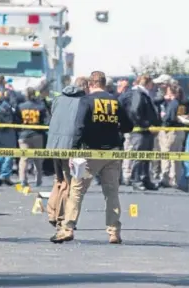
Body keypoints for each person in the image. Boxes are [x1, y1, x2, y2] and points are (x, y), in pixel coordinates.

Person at [50, 71, 133, 244]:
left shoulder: (86, 101)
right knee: (111, 193)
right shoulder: (115, 101)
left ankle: (68, 228)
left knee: (77, 191)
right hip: (112, 152)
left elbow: (79, 126)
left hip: (90, 153)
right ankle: (114, 231)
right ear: (104, 84)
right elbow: (128, 126)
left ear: (90, 84)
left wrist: (73, 151)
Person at [46, 78, 87, 228]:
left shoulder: (58, 99)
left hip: (54, 145)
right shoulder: (83, 101)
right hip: (69, 145)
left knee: (58, 181)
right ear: (85, 87)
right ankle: (62, 217)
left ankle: (52, 213)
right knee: (69, 183)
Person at [129, 75, 161, 191]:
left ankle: (145, 179)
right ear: (148, 83)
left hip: (147, 131)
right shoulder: (138, 94)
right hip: (140, 131)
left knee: (146, 156)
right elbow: (134, 111)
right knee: (139, 156)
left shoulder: (145, 94)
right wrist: (147, 125)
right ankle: (136, 180)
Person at [17, 87, 48, 187]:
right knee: (38, 158)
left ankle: (22, 179)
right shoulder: (40, 106)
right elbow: (45, 120)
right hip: (37, 134)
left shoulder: (20, 106)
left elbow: (16, 120)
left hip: (24, 135)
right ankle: (38, 179)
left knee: (24, 158)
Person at [158, 84, 186, 188]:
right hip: (179, 131)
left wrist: (163, 118)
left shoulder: (174, 104)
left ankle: (165, 178)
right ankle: (175, 179)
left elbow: (169, 118)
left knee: (166, 154)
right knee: (176, 156)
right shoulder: (181, 103)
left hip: (170, 131)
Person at [151, 74, 175, 179]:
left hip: (170, 126)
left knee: (168, 151)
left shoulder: (175, 94)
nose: (159, 86)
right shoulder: (159, 94)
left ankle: (168, 175)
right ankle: (156, 172)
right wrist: (163, 98)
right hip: (158, 125)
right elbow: (153, 101)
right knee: (156, 150)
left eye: (161, 84)